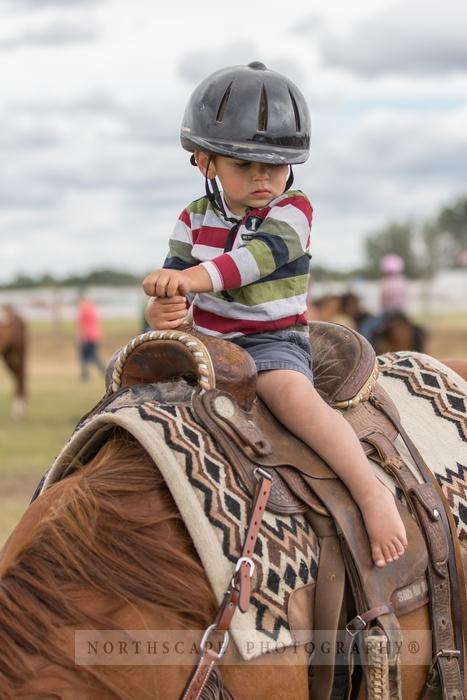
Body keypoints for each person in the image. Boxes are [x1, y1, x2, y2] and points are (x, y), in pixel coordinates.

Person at [143, 62, 407, 567]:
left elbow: (252, 262)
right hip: (206, 341)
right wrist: (165, 306)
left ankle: (372, 494)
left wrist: (191, 280)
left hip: (271, 341)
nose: (264, 176)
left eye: (277, 164)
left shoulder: (294, 212)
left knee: (289, 395)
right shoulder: (191, 218)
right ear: (205, 161)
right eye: (246, 164)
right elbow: (176, 275)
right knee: (131, 379)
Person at [76, 290, 105, 381]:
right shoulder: (92, 308)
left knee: (88, 356)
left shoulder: (83, 309)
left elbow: (82, 324)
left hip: (87, 336)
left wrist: (81, 336)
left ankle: (86, 375)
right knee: (92, 356)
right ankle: (86, 374)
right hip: (95, 335)